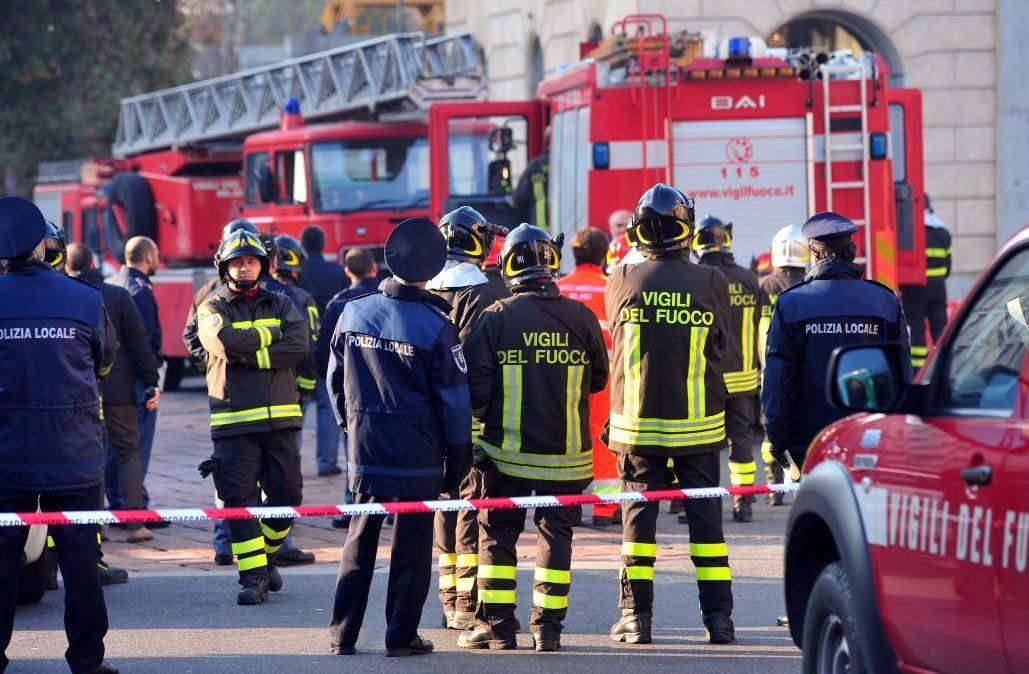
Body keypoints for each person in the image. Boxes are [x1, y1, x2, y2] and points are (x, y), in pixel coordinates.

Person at [326, 217, 472, 657]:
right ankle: (400, 636)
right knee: (411, 544)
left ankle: (342, 635)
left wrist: (349, 426)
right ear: (431, 271)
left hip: (366, 446)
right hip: (419, 453)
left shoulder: (353, 311)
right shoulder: (435, 326)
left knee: (359, 538)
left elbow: (334, 379)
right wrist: (459, 458)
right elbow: (455, 401)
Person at [459, 224, 608, 652]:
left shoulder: (495, 317)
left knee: (498, 538)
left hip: (505, 455)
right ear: (552, 265)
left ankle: (500, 630)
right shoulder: (579, 316)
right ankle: (549, 630)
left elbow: (476, 389)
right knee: (556, 539)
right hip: (567, 458)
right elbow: (597, 380)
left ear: (508, 266)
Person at [605, 184, 735, 646]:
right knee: (707, 527)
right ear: (688, 229)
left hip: (637, 427)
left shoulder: (621, 278)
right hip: (699, 426)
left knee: (638, 525)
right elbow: (721, 343)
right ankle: (719, 620)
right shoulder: (713, 282)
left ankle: (636, 619)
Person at [0, 196, 119, 674]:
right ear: (43, 246)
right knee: (80, 563)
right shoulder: (85, 299)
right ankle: (87, 661)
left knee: (3, 563)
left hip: (7, 457)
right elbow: (102, 362)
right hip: (74, 454)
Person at [195, 229, 309, 605]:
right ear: (224, 267)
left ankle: (266, 556)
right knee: (239, 502)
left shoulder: (283, 303)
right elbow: (224, 343)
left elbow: (298, 346)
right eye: (237, 262)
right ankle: (252, 577)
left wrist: (250, 353)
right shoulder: (211, 307)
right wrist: (268, 336)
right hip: (233, 422)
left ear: (262, 265)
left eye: (251, 261)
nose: (244, 268)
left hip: (281, 420)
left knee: (287, 496)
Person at [763, 212, 911, 474]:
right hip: (870, 439)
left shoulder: (791, 304)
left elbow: (778, 380)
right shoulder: (884, 301)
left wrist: (777, 439)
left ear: (813, 253)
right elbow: (901, 376)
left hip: (810, 442)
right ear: (852, 251)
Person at [426, 206, 509, 630]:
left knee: (445, 502)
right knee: (473, 507)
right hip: (471, 417)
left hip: (429, 419)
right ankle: (465, 599)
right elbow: (483, 364)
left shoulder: (422, 285)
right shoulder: (485, 292)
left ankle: (446, 596)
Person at [66, 243, 161, 543]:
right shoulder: (117, 295)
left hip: (80, 390)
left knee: (91, 455)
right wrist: (151, 381)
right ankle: (135, 524)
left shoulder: (66, 296)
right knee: (127, 451)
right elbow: (137, 344)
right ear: (94, 263)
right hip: (119, 391)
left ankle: (95, 527)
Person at [693, 215, 766, 523]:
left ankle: (694, 503)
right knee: (742, 440)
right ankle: (743, 503)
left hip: (707, 378)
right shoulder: (749, 278)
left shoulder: (698, 278)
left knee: (702, 443)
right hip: (745, 378)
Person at [556, 227, 620, 527]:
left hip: (561, 376)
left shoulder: (558, 288)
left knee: (566, 441)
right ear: (604, 253)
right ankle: (605, 510)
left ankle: (566, 507)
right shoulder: (612, 287)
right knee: (604, 440)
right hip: (603, 378)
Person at [315, 248, 380, 527]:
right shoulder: (385, 298)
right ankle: (392, 506)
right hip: (383, 385)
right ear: (374, 269)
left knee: (352, 447)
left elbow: (324, 351)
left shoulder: (338, 304)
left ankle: (353, 507)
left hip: (351, 388)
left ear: (347, 271)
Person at [111, 236, 162, 519]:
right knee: (135, 448)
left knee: (115, 447)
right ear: (149, 257)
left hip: (116, 379)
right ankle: (133, 505)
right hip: (136, 380)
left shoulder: (116, 283)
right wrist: (152, 379)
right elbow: (144, 341)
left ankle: (118, 501)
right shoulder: (140, 291)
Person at [757, 225, 809, 504]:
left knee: (772, 424)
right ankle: (796, 477)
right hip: (802, 368)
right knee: (799, 424)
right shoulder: (810, 285)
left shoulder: (762, 286)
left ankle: (773, 484)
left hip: (768, 367)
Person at [900, 194, 952, 369]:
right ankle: (941, 365)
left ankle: (918, 369)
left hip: (915, 289)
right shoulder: (944, 234)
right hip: (939, 288)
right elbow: (948, 268)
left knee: (916, 329)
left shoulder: (910, 233)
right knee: (940, 328)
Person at [299, 225, 350, 313]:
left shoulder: (297, 273)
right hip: (336, 323)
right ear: (323, 245)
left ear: (302, 245)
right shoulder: (340, 271)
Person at [510, 148, 549, 229]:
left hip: (540, 227)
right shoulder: (563, 166)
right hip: (563, 226)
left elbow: (519, 198)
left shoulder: (535, 165)